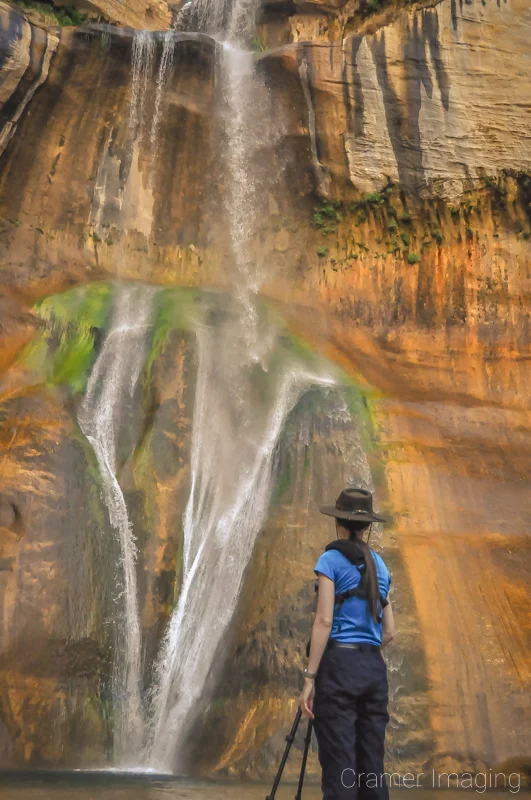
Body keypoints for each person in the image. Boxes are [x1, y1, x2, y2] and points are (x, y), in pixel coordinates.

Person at [299, 487, 396, 800]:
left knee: (341, 767)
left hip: (340, 667)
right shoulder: (380, 566)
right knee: (372, 769)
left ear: (338, 522)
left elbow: (324, 621)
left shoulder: (330, 560)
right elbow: (390, 631)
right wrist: (366, 656)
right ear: (367, 526)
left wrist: (310, 678)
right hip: (373, 670)